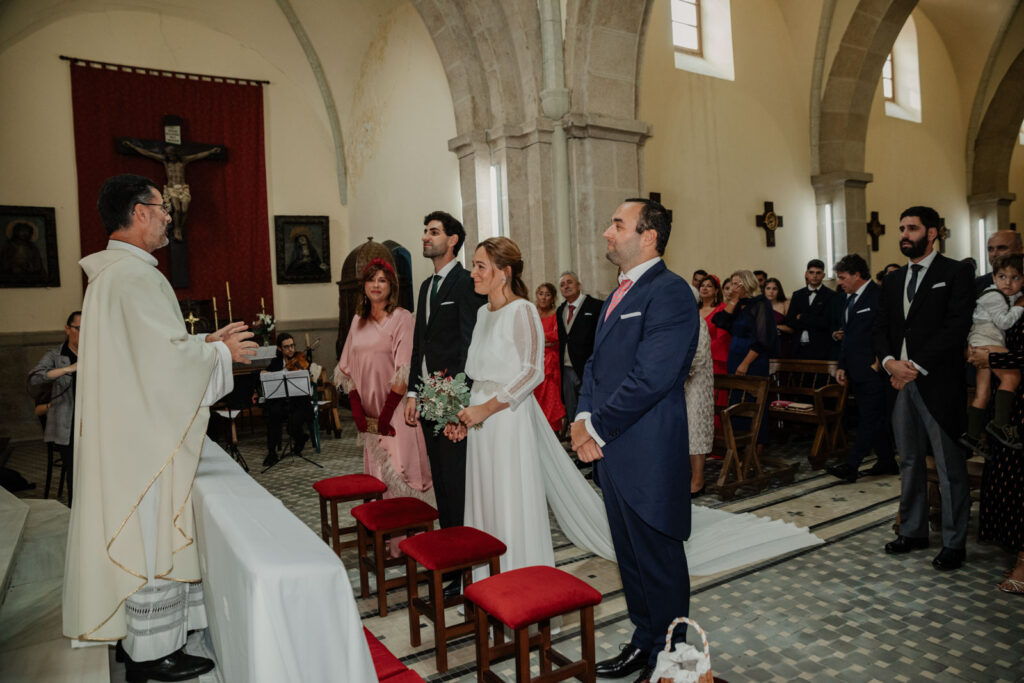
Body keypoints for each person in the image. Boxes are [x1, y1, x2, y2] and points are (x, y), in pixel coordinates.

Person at [63, 174, 256, 681]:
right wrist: (220, 354)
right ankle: (153, 653)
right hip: (143, 445)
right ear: (139, 212)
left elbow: (149, 355)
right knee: (149, 537)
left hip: (129, 433)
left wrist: (205, 344)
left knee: (142, 536)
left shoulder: (114, 276)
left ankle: (139, 642)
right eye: (161, 206)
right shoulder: (134, 278)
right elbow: (164, 367)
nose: (169, 215)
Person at [571, 198, 698, 683]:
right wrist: (582, 415)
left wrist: (595, 428)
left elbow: (652, 377)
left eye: (617, 224)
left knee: (659, 561)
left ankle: (671, 659)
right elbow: (595, 367)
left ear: (648, 236)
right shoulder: (619, 292)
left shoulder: (670, 292)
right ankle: (645, 641)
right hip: (612, 452)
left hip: (648, 452)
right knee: (631, 559)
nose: (607, 232)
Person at [443, 237, 614, 578]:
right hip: (480, 420)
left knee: (507, 497)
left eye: (480, 266)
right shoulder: (481, 312)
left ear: (503, 272)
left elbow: (532, 372)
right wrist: (462, 415)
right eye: (474, 265)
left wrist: (485, 409)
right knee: (485, 497)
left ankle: (516, 577)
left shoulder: (522, 310)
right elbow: (478, 372)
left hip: (507, 419)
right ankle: (485, 579)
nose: (473, 273)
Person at [873, 205, 973, 571]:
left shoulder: (955, 272)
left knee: (948, 467)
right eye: (902, 228)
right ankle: (912, 530)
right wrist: (889, 362)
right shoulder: (894, 279)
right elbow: (881, 327)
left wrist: (913, 366)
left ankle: (954, 542)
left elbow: (956, 326)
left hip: (937, 383)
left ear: (932, 233)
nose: (904, 235)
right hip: (898, 382)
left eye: (912, 228)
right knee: (910, 460)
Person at [404, 210, 486, 597]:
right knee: (442, 483)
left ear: (453, 240)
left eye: (433, 232)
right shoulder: (425, 286)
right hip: (429, 398)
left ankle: (462, 567)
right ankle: (451, 561)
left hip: (454, 400)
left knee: (457, 484)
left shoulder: (466, 282)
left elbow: (470, 345)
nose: (425, 237)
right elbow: (420, 345)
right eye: (425, 231)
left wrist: (459, 407)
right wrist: (412, 392)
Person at [337, 258, 433, 555]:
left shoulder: (402, 318)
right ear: (363, 286)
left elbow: (404, 370)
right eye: (371, 280)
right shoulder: (358, 320)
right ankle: (385, 539)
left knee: (402, 472)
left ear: (392, 286)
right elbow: (346, 370)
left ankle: (410, 544)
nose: (376, 285)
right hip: (370, 420)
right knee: (378, 478)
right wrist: (358, 411)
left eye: (382, 280)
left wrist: (385, 414)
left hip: (396, 414)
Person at [825, 254, 897, 483]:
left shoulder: (877, 295)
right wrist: (842, 365)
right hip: (855, 368)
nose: (840, 283)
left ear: (857, 275)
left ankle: (852, 465)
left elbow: (887, 331)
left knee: (870, 418)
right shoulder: (849, 299)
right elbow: (848, 336)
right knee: (873, 417)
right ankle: (887, 461)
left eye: (843, 277)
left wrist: (879, 360)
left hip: (874, 369)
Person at [968, 319, 1024, 594]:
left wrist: (992, 357)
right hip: (1010, 408)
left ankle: (1023, 568)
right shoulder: (1011, 309)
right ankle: (1018, 558)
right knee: (1008, 484)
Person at [962, 253, 1024, 452]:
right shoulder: (993, 296)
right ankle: (1000, 424)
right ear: (994, 277)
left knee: (983, 392)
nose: (1008, 282)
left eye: (1015, 277)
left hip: (980, 342)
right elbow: (1004, 322)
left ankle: (972, 436)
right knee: (1012, 376)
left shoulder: (1002, 294)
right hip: (987, 340)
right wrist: (1019, 307)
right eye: (1002, 277)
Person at [712, 270, 778, 446]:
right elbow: (720, 321)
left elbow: (763, 340)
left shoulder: (760, 304)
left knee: (751, 403)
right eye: (732, 284)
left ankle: (756, 445)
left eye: (736, 284)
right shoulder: (738, 305)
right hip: (735, 357)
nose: (732, 288)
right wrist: (733, 301)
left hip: (752, 360)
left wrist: (745, 363)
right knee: (735, 402)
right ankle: (737, 444)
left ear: (747, 284)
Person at [27, 311, 81, 504]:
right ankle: (76, 512)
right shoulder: (56, 355)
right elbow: (34, 377)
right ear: (67, 329)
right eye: (79, 329)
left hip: (93, 422)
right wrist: (68, 369)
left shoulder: (96, 353)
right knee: (76, 473)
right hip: (67, 424)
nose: (84, 333)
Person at [120, 140, 221, 240]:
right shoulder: (165, 161)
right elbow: (148, 153)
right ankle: (177, 229)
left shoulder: (182, 161)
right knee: (177, 209)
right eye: (169, 154)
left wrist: (211, 151)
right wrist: (132, 146)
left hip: (183, 188)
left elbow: (197, 156)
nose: (171, 155)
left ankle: (180, 227)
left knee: (184, 210)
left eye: (172, 153)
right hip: (172, 189)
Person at [556, 270, 603, 428]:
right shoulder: (560, 310)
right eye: (562, 285)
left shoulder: (596, 306)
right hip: (567, 369)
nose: (566, 286)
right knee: (572, 410)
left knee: (591, 407)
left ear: (579, 285)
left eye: (569, 282)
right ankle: (575, 438)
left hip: (589, 367)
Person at [261, 333, 314, 468]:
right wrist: (265, 373)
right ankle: (271, 453)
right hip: (283, 402)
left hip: (300, 403)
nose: (290, 349)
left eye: (292, 345)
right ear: (280, 349)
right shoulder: (276, 362)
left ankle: (301, 439)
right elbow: (266, 373)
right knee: (273, 415)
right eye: (286, 347)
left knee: (293, 424)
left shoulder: (301, 358)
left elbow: (307, 376)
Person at [785, 259, 836, 360]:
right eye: (811, 272)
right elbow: (790, 321)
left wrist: (802, 317)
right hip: (798, 347)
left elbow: (825, 322)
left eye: (818, 273)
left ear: (823, 275)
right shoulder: (797, 295)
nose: (815, 276)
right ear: (806, 274)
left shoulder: (831, 295)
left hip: (821, 348)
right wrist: (813, 320)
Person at [686, 316, 714, 497]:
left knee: (696, 430)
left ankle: (698, 480)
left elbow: (700, 356)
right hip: (676, 385)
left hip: (696, 384)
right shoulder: (673, 320)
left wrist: (676, 369)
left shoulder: (698, 322)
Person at [533, 282, 566, 431]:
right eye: (541, 294)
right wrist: (544, 340)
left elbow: (557, 336)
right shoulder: (531, 312)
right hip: (533, 361)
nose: (544, 298)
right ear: (536, 295)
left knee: (551, 399)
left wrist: (538, 338)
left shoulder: (556, 314)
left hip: (550, 363)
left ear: (552, 298)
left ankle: (552, 431)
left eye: (547, 295)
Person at [976, 230, 1024, 295]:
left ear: (1019, 250)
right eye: (990, 249)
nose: (994, 254)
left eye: (1002, 248)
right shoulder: (979, 283)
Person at [764, 277, 793, 358]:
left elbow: (792, 329)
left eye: (774, 289)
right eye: (768, 288)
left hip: (781, 344)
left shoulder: (786, 304)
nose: (771, 292)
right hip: (763, 344)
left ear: (779, 290)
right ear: (764, 290)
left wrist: (775, 327)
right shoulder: (759, 305)